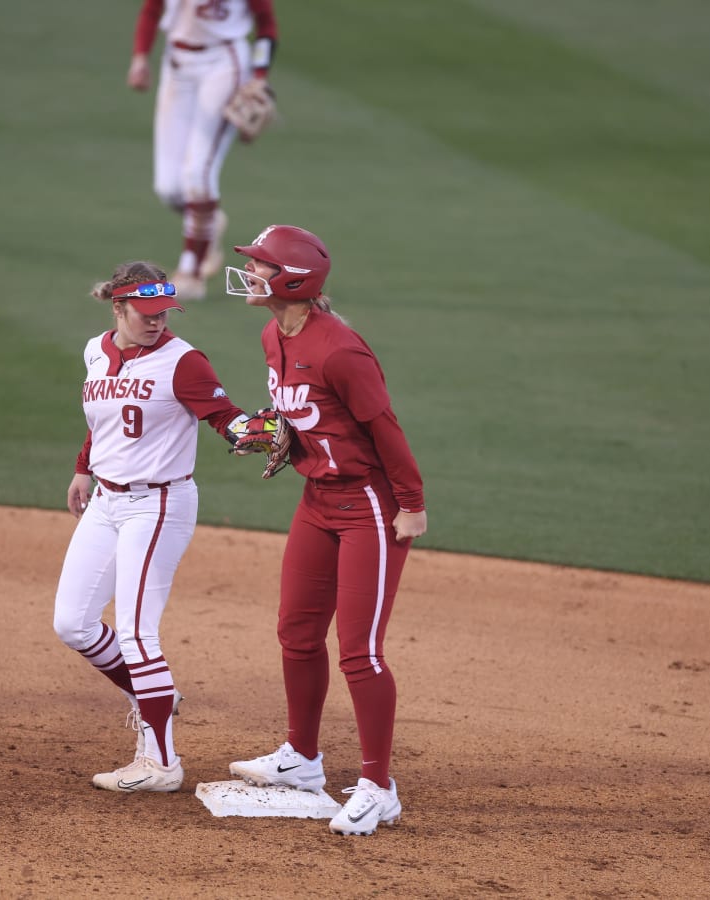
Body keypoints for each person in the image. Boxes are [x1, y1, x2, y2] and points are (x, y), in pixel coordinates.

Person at [223, 225, 428, 836]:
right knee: (297, 631)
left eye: (260, 266)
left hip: (368, 503)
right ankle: (303, 759)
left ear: (291, 280)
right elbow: (306, 418)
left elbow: (385, 427)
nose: (251, 274)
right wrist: (290, 437)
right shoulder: (271, 334)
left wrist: (411, 504)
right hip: (317, 500)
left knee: (359, 652)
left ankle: (379, 787)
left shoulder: (341, 350)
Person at [53, 260, 265, 793]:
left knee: (136, 632)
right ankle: (153, 696)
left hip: (159, 505)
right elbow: (100, 421)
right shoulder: (94, 351)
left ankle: (162, 762)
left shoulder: (183, 361)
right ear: (118, 308)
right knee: (73, 624)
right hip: (106, 502)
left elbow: (224, 416)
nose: (158, 322)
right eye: (146, 313)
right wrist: (83, 466)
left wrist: (250, 432)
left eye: (165, 313)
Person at [126, 0, 279, 302]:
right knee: (169, 187)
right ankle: (208, 222)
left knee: (198, 173)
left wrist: (259, 76)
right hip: (177, 63)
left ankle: (191, 273)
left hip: (225, 62)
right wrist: (140, 58)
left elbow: (266, 25)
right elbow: (152, 9)